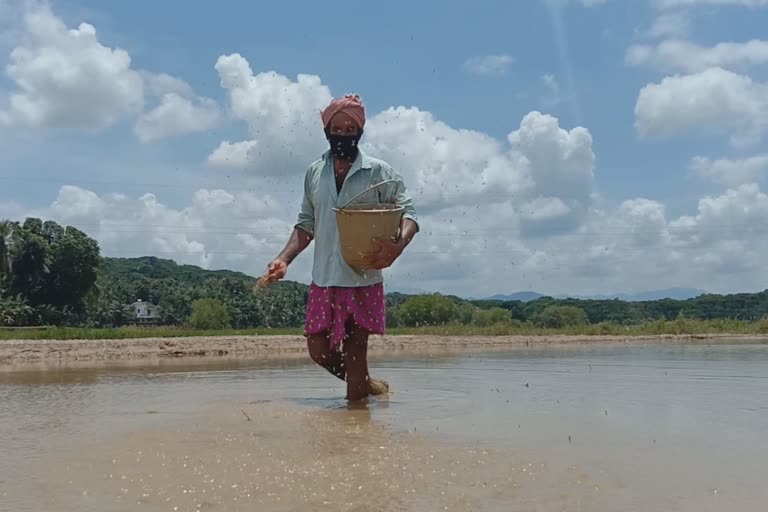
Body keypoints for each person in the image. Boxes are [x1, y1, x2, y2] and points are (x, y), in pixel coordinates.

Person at [264, 94, 419, 401]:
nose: (344, 134)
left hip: (363, 276)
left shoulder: (379, 172)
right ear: (327, 130)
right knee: (318, 350)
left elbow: (409, 214)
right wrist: (283, 259)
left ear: (360, 131)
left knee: (356, 351)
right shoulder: (314, 172)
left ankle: (357, 431)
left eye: (351, 128)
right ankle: (366, 387)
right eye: (338, 128)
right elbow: (306, 223)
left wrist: (396, 247)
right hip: (324, 277)